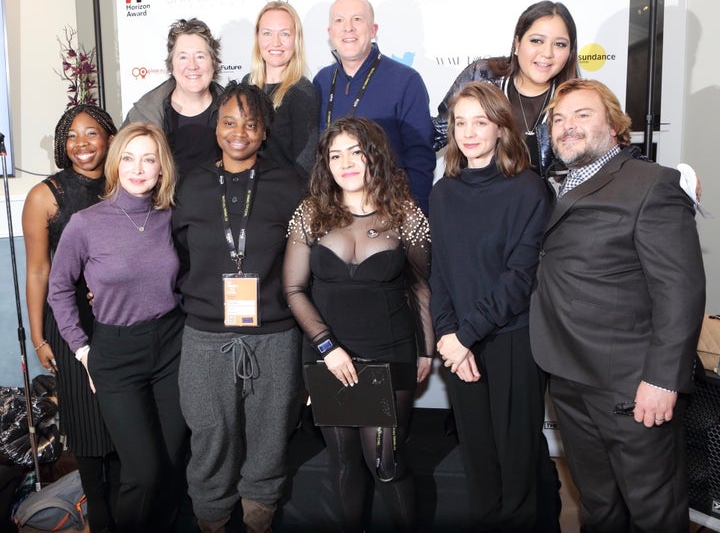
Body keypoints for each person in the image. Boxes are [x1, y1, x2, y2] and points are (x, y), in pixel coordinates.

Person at [529, 78, 706, 532]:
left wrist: (663, 380)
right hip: (568, 378)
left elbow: (680, 291)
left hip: (632, 387)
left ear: (615, 126)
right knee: (598, 505)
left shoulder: (652, 184)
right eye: (559, 120)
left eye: (582, 115)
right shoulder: (553, 189)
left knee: (654, 510)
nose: (568, 127)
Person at [284, 116, 434, 532]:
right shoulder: (310, 213)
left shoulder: (405, 214)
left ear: (375, 156)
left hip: (390, 353)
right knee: (345, 462)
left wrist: (426, 348)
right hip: (329, 356)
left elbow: (421, 285)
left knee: (385, 463)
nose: (345, 163)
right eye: (335, 155)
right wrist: (328, 348)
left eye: (355, 152)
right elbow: (294, 289)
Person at [172, 81, 305, 533]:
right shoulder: (189, 186)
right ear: (216, 128)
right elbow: (174, 254)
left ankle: (259, 515)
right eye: (229, 122)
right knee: (210, 435)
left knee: (270, 436)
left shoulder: (290, 185)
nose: (239, 132)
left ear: (265, 131)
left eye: (251, 124)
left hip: (274, 334)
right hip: (206, 336)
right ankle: (210, 516)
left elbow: (309, 256)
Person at [430, 82, 558, 531]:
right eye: (459, 123)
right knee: (480, 465)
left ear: (501, 128)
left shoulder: (528, 191)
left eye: (480, 122)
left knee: (517, 466)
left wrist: (464, 336)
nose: (469, 132)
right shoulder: (444, 193)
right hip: (459, 346)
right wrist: (448, 336)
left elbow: (520, 278)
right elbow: (440, 273)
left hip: (511, 342)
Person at [47, 122, 187, 533]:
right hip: (116, 353)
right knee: (142, 472)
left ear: (162, 168)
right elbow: (59, 289)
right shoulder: (86, 223)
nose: (138, 168)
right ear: (115, 163)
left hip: (172, 346)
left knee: (172, 460)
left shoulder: (172, 217)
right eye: (128, 158)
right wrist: (82, 348)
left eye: (148, 159)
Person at [22, 104, 119, 533]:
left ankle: (124, 508)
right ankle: (96, 513)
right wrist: (40, 339)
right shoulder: (46, 195)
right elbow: (39, 269)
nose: (82, 144)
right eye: (73, 136)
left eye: (92, 133)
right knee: (85, 425)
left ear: (110, 138)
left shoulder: (125, 185)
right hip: (68, 323)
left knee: (124, 420)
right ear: (64, 144)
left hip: (119, 319)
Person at [313, 0, 436, 214]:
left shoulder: (405, 80)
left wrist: (413, 218)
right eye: (339, 20)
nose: (348, 28)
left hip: (389, 215)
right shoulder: (321, 81)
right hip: (334, 215)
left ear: (373, 30)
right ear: (330, 33)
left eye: (357, 19)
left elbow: (421, 160)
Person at [434, 0, 579, 181]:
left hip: (544, 206)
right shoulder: (482, 75)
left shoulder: (576, 101)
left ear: (570, 51)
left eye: (560, 44)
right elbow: (436, 133)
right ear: (517, 43)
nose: (547, 53)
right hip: (473, 201)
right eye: (536, 41)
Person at [123, 17, 224, 180]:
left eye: (200, 56)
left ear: (213, 62)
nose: (192, 66)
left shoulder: (234, 111)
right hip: (162, 204)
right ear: (171, 65)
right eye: (183, 57)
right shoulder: (143, 115)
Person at [242, 0, 319, 177]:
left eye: (284, 34)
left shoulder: (302, 92)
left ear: (296, 39)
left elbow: (305, 167)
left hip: (284, 196)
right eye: (267, 33)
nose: (275, 42)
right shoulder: (247, 84)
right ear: (258, 38)